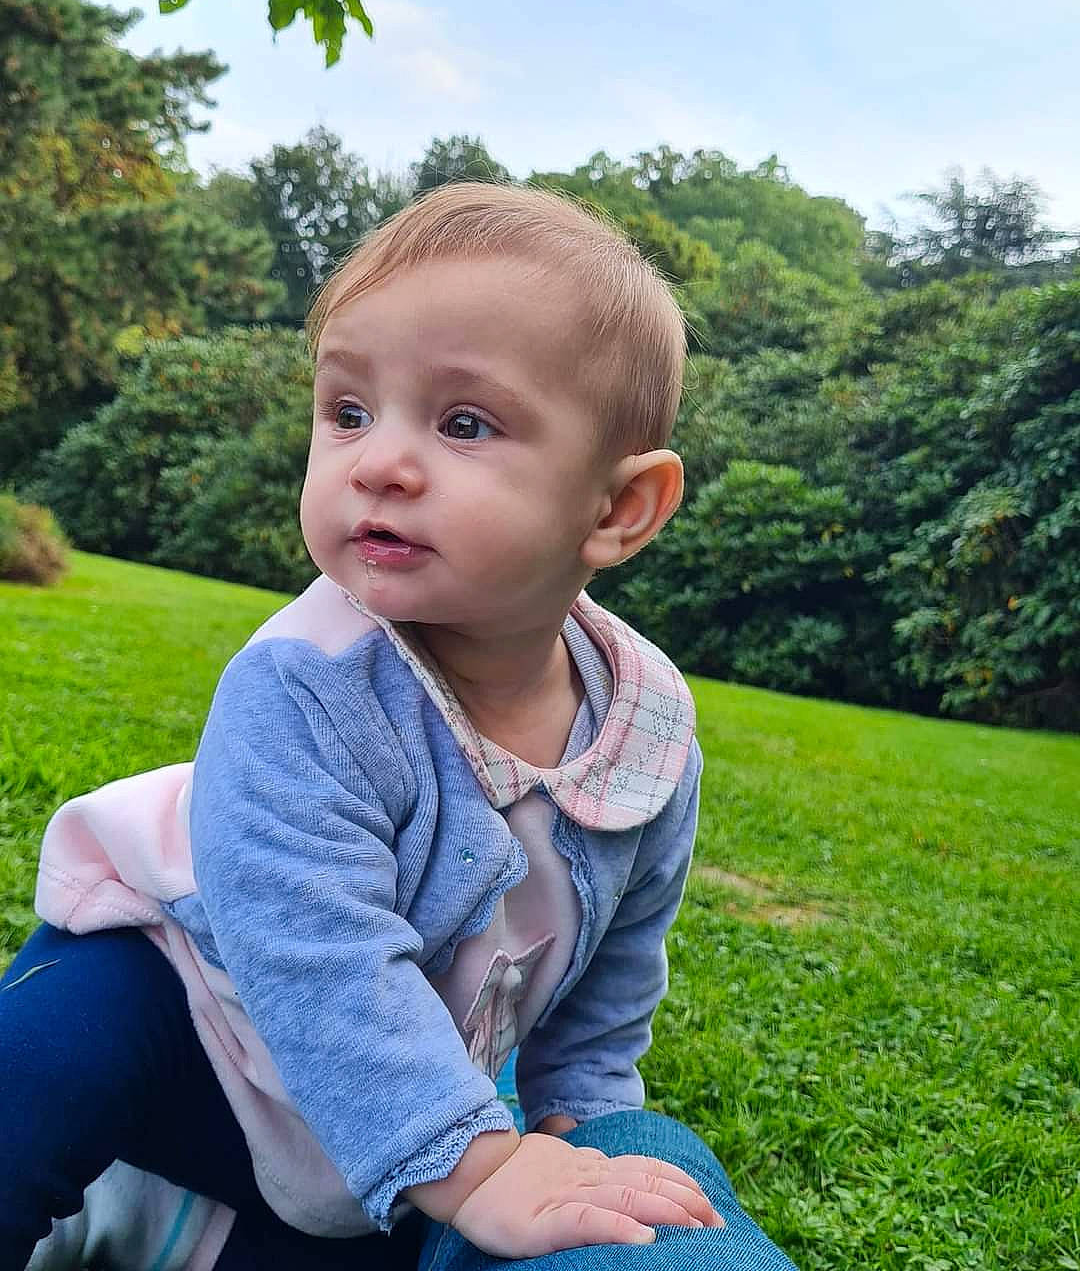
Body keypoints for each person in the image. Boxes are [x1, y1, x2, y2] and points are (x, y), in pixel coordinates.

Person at [0, 183, 798, 1271]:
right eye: (348, 412)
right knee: (38, 1067)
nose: (376, 461)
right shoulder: (303, 681)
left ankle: (171, 1222)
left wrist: (581, 1122)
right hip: (188, 992)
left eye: (464, 422)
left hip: (383, 1095)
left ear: (618, 511)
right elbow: (315, 961)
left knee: (361, 1233)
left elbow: (616, 968)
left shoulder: (643, 736)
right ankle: (107, 1185)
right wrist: (476, 1169)